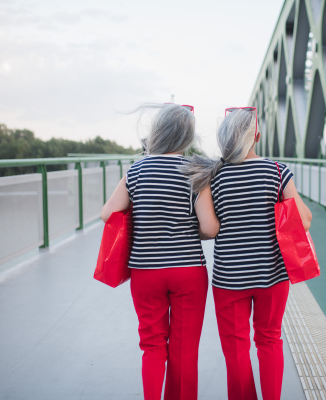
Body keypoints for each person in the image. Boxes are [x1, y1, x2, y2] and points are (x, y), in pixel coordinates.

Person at [182, 107, 312, 400]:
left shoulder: (211, 175)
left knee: (236, 348)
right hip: (272, 274)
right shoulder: (277, 171)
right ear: (257, 136)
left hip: (229, 278)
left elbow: (209, 229)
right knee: (269, 340)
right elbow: (302, 221)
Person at [100, 103, 219, 400]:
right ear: (187, 136)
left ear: (157, 132)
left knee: (152, 346)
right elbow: (210, 227)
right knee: (184, 349)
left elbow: (107, 214)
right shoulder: (196, 171)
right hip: (188, 272)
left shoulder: (137, 169)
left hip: (146, 272)